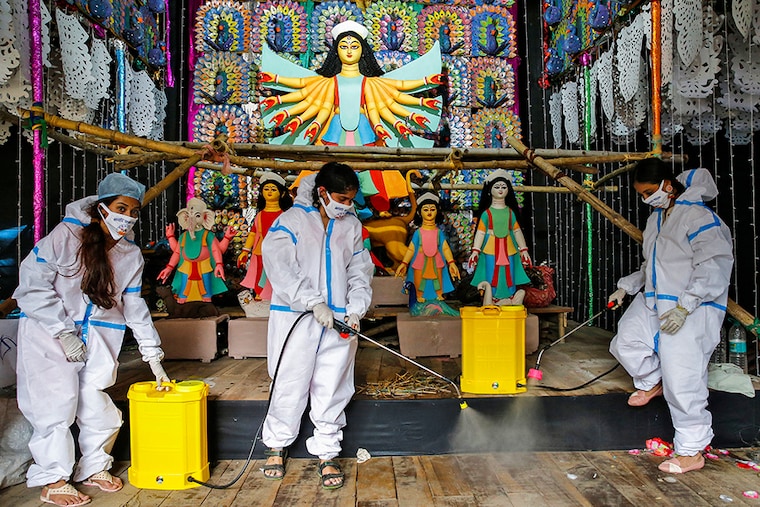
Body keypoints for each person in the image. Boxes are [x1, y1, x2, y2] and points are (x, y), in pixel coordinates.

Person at [13, 172, 171, 506]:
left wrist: (152, 353)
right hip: (49, 334)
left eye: (133, 211)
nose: (127, 217)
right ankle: (53, 479)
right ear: (102, 207)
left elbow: (134, 305)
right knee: (53, 405)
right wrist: (63, 333)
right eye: (120, 208)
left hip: (100, 335)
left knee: (96, 401)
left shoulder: (130, 255)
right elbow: (32, 285)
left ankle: (94, 466)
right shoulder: (65, 236)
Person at [608, 159, 734, 474]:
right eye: (641, 194)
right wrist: (627, 287)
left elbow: (714, 264)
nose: (645, 198)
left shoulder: (699, 217)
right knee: (626, 342)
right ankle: (653, 382)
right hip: (655, 300)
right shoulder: (656, 220)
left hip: (690, 307)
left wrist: (685, 305)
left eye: (649, 192)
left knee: (684, 378)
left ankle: (691, 451)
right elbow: (652, 266)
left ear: (668, 184)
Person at [259, 162, 374, 489]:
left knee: (333, 384)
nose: (347, 206)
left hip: (339, 321)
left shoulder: (350, 225)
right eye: (341, 198)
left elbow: (359, 270)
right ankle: (276, 444)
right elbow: (279, 267)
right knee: (289, 380)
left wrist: (355, 309)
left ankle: (327, 450)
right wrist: (312, 301)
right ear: (322, 192)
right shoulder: (291, 221)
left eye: (351, 200)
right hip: (296, 317)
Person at [468, 169, 531, 305]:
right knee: (491, 273)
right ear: (490, 190)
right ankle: (493, 298)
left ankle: (511, 297)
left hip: (509, 249)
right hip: (490, 249)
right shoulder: (486, 214)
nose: (501, 190)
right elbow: (480, 233)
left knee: (509, 273)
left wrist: (524, 249)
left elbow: (517, 231)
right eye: (497, 187)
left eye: (504, 187)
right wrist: (475, 250)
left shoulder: (510, 212)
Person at [237, 172, 293, 299]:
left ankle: (277, 295)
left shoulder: (284, 215)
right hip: (260, 250)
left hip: (280, 250)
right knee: (259, 272)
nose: (269, 192)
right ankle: (260, 294)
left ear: (282, 193)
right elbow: (253, 233)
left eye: (273, 189)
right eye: (266, 189)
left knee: (279, 272)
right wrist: (245, 251)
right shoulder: (259, 215)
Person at [395, 192, 460, 303]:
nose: (429, 212)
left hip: (437, 261)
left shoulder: (439, 232)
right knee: (419, 280)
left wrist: (451, 262)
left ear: (437, 212)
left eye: (432, 209)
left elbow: (445, 248)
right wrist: (404, 263)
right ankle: (419, 296)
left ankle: (438, 296)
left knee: (437, 279)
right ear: (420, 213)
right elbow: (411, 249)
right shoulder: (418, 233)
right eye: (425, 209)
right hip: (420, 261)